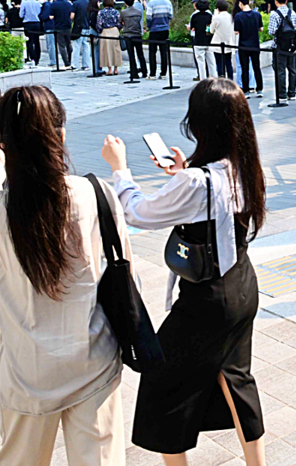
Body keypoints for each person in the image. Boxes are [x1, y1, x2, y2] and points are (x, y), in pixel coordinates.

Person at [101, 78, 267, 466]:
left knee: (164, 381)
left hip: (207, 299)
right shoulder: (243, 165)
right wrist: (182, 172)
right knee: (235, 378)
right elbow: (212, 202)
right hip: (242, 285)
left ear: (200, 124)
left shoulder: (198, 181)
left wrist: (120, 170)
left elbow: (137, 213)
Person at [0, 86, 126, 466]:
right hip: (92, 358)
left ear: (3, 142)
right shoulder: (93, 192)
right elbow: (121, 266)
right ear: (61, 136)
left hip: (27, 369)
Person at [267, 0, 296, 101]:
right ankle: (292, 93)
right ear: (286, 1)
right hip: (291, 45)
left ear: (275, 2)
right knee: (292, 69)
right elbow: (294, 27)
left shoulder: (274, 14)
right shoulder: (292, 13)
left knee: (280, 70)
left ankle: (282, 94)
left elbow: (271, 31)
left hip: (279, 46)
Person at [233, 0, 264, 97]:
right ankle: (259, 89)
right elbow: (261, 29)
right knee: (256, 67)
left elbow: (236, 32)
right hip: (255, 44)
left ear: (240, 3)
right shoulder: (257, 14)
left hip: (243, 45)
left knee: (244, 68)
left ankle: (245, 90)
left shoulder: (238, 16)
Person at [146, 0, 173, 79]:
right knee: (163, 52)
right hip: (165, 29)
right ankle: (163, 73)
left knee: (152, 52)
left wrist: (148, 26)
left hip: (154, 30)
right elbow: (170, 16)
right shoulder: (168, 2)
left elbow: (149, 17)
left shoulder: (151, 3)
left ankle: (152, 74)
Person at [120, 0, 147, 80]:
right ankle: (144, 71)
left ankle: (134, 72)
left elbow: (120, 21)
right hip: (137, 34)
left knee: (131, 55)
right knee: (140, 53)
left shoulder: (123, 12)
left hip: (128, 34)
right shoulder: (138, 11)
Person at [188, 0, 215, 81]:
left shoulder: (195, 16)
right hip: (209, 41)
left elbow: (192, 28)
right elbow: (210, 28)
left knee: (201, 62)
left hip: (198, 41)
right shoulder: (210, 16)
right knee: (211, 62)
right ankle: (214, 77)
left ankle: (203, 79)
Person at [47, 0, 74, 70]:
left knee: (61, 46)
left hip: (59, 27)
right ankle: (70, 59)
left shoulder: (53, 5)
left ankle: (66, 63)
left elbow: (51, 16)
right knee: (68, 44)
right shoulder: (68, 3)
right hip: (68, 26)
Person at [210, 0, 236, 79]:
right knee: (228, 63)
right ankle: (231, 80)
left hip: (217, 45)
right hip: (229, 44)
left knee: (219, 64)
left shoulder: (216, 18)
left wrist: (213, 17)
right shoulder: (231, 17)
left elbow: (211, 30)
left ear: (218, 8)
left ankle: (221, 80)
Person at [96, 0, 122, 76]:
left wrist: (100, 30)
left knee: (107, 51)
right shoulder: (116, 12)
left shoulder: (101, 12)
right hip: (115, 30)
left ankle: (109, 69)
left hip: (105, 31)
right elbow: (119, 22)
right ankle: (116, 69)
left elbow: (99, 24)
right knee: (116, 49)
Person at [71, 0, 92, 72]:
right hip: (87, 26)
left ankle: (75, 65)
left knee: (76, 46)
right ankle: (86, 64)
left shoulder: (75, 3)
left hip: (78, 27)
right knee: (86, 45)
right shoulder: (89, 2)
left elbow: (72, 16)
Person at [21, 0, 44, 65]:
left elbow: (21, 15)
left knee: (30, 41)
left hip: (28, 24)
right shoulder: (38, 3)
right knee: (37, 41)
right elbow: (40, 13)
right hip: (37, 23)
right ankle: (37, 57)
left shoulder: (24, 3)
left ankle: (32, 57)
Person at [88, 0, 101, 72]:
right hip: (95, 32)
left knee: (95, 51)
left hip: (92, 31)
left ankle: (97, 68)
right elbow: (94, 24)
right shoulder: (95, 13)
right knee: (96, 51)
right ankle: (97, 69)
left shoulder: (90, 12)